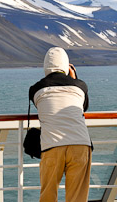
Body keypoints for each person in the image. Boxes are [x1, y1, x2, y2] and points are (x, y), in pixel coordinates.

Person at [29, 47, 92, 202]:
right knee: (77, 198)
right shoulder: (80, 86)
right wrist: (74, 77)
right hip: (80, 143)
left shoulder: (36, 89)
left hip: (52, 145)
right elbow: (84, 107)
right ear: (66, 65)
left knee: (48, 196)